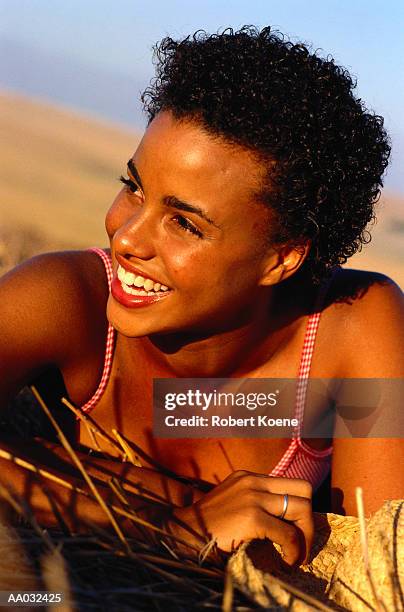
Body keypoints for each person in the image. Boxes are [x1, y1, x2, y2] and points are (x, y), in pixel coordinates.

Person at [0, 26, 403, 566]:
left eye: (185, 224)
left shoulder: (356, 326)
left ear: (282, 258)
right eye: (134, 187)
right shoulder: (64, 298)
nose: (126, 238)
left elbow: (375, 567)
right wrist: (171, 523)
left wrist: (75, 470)